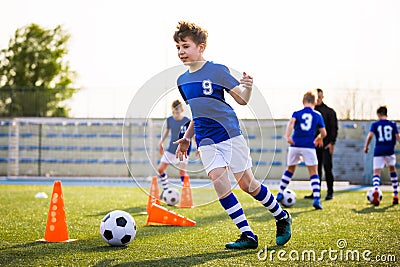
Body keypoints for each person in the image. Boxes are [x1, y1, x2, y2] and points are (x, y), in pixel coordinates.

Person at [172, 21, 292, 249]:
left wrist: (248, 86)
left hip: (229, 134)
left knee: (248, 184)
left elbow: (242, 100)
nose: (181, 52)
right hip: (206, 141)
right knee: (219, 183)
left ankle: (281, 216)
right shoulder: (182, 81)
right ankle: (248, 235)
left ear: (201, 47)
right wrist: (188, 137)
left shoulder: (217, 70)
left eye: (185, 46)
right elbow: (197, 114)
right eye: (178, 47)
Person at [276, 91, 327, 209]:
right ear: (315, 102)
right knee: (313, 172)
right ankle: (317, 199)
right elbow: (324, 132)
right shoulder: (317, 115)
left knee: (290, 169)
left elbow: (291, 123)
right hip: (309, 146)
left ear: (303, 101)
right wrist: (319, 137)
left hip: (295, 145)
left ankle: (279, 193)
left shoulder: (297, 113)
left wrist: (287, 136)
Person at [304, 88, 338, 200]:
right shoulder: (309, 112)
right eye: (316, 97)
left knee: (328, 169)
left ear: (322, 97)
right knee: (315, 170)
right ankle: (315, 193)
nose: (318, 99)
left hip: (326, 145)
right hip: (313, 146)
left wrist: (332, 143)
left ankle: (330, 192)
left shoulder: (329, 112)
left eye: (320, 97)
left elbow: (334, 129)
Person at [364, 106, 400, 205]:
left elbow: (370, 135)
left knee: (376, 172)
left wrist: (366, 147)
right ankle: (396, 194)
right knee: (392, 170)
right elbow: (398, 137)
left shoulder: (375, 124)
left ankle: (376, 189)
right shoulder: (392, 124)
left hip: (379, 150)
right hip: (389, 150)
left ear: (379, 114)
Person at [157, 100, 191, 194]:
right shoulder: (169, 120)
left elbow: (192, 135)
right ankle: (165, 190)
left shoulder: (187, 121)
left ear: (182, 110)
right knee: (160, 169)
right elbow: (167, 131)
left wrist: (198, 147)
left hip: (183, 150)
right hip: (171, 149)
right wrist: (161, 142)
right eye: (175, 112)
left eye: (178, 112)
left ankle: (186, 193)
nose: (176, 114)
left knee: (182, 172)